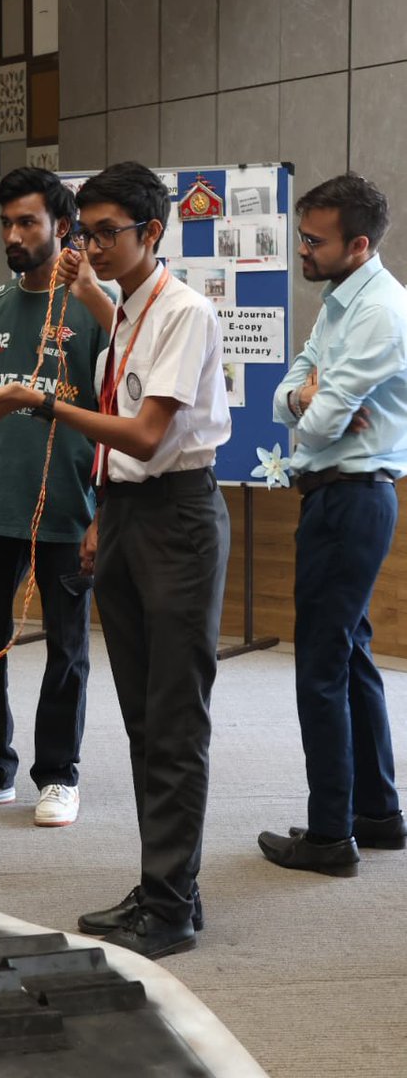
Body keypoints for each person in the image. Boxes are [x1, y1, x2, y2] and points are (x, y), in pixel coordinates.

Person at [0, 161, 231, 959]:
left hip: (176, 517)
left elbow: (147, 436)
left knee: (174, 721)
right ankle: (164, 886)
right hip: (124, 512)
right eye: (83, 233)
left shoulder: (181, 311)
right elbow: (123, 423)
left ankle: (171, 907)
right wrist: (101, 511)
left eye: (106, 233)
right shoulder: (124, 311)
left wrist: (41, 401)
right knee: (144, 720)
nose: (89, 247)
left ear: (151, 232)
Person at [0, 166, 110, 828]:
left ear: (62, 227)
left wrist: (103, 511)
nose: (13, 235)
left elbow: (119, 410)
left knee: (66, 647)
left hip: (69, 505)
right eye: (6, 223)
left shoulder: (96, 305)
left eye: (27, 222)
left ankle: (59, 775)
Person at [258, 173, 407, 875]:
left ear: (357, 244)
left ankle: (329, 838)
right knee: (348, 657)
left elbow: (317, 425)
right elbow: (290, 395)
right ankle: (375, 815)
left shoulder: (377, 311)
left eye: (314, 241)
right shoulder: (338, 301)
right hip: (338, 496)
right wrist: (307, 400)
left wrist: (312, 406)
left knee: (320, 666)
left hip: (351, 499)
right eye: (301, 236)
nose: (301, 250)